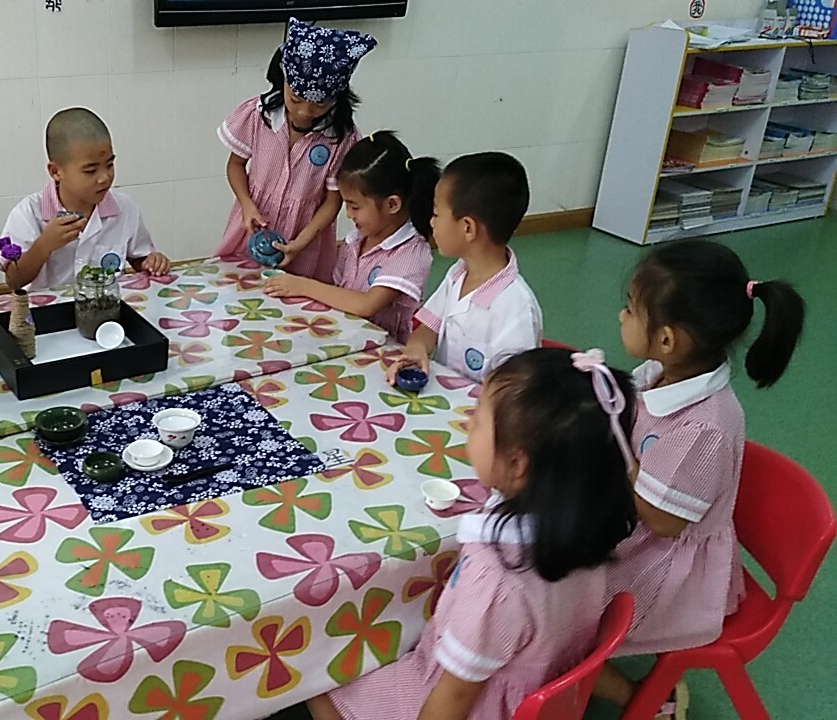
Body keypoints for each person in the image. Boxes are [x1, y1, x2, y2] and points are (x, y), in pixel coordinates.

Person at [300, 348, 638, 720]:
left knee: (318, 684)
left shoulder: (497, 582)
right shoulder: (587, 530)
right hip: (536, 676)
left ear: (517, 463)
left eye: (477, 419)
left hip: (476, 702)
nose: (467, 425)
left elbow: (454, 698)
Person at [594, 240, 806, 719]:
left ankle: (649, 701)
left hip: (672, 567)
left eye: (631, 308)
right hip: (639, 523)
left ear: (668, 339)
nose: (621, 315)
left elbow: (663, 522)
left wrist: (621, 461)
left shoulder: (705, 428)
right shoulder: (661, 371)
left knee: (558, 612)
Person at [214, 17, 376, 282]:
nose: (304, 112)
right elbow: (235, 165)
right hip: (252, 225)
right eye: (296, 99)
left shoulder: (341, 138)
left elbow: (333, 200)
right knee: (239, 285)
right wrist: (247, 204)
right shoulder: (258, 116)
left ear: (338, 98)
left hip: (307, 236)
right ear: (284, 81)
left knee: (297, 295)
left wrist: (300, 243)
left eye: (319, 105)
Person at [265, 131, 439, 342]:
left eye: (354, 206)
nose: (348, 214)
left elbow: (365, 305)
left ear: (392, 204)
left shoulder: (410, 253)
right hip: (348, 337)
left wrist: (301, 286)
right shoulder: (358, 238)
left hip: (382, 350)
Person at [385, 152, 542, 384]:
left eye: (436, 214)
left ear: (468, 228)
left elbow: (513, 391)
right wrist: (416, 349)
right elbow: (428, 328)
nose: (431, 222)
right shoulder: (458, 274)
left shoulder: (516, 310)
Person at [0, 107, 171, 290]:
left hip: (107, 303)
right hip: (49, 307)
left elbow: (139, 258)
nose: (104, 178)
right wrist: (44, 245)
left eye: (109, 165)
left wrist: (152, 262)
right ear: (56, 172)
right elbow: (13, 281)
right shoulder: (28, 213)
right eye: (90, 170)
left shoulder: (125, 208)